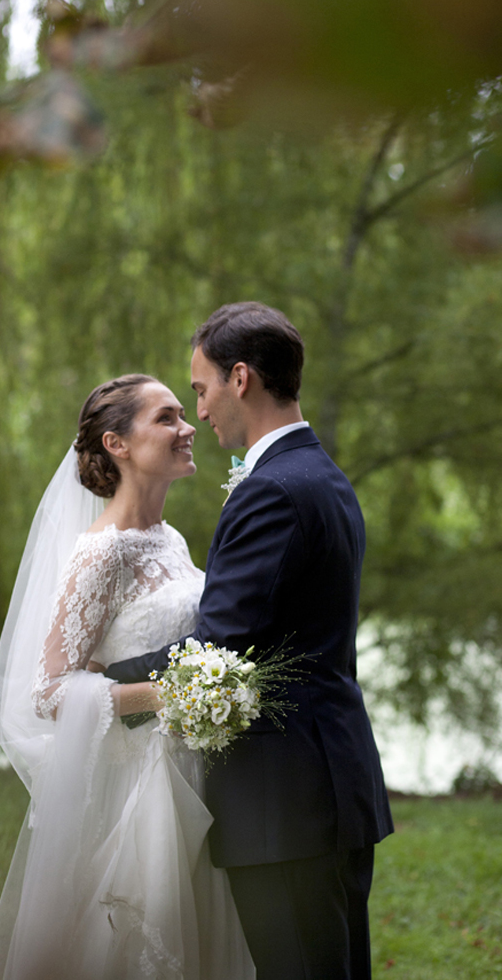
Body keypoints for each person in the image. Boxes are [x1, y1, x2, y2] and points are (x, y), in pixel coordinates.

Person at [106, 303, 394, 980]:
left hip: (285, 805)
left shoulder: (272, 491)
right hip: (326, 788)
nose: (199, 413)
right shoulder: (321, 475)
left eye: (201, 389)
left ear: (241, 377)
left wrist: (100, 680)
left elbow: (218, 649)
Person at [0, 374, 255, 980]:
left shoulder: (169, 540)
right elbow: (49, 692)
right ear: (117, 444)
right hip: (141, 787)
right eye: (167, 418)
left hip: (199, 772)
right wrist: (174, 697)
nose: (188, 428)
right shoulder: (101, 554)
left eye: (185, 414)